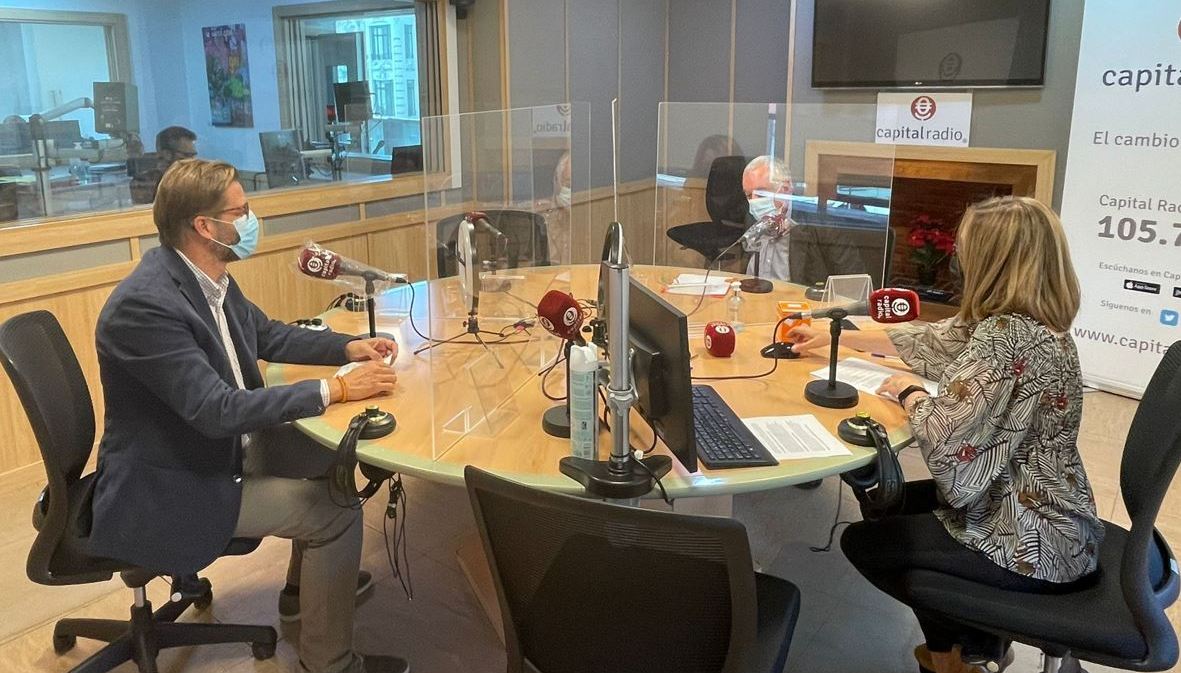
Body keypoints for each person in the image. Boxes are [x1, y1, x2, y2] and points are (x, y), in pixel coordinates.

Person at [90, 158, 408, 673]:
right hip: (177, 481)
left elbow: (269, 335)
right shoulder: (144, 307)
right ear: (204, 226)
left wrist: (347, 346)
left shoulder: (208, 278)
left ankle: (302, 593)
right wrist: (335, 389)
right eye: (241, 211)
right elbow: (217, 411)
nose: (251, 219)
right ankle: (330, 663)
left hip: (223, 448)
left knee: (337, 454)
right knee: (334, 512)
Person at [788, 196, 1103, 673]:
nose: (957, 259)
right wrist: (838, 336)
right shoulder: (1030, 324)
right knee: (887, 503)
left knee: (868, 541)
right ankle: (972, 646)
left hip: (1029, 540)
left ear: (992, 260)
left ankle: (957, 656)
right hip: (1054, 516)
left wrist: (910, 392)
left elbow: (948, 442)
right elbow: (934, 340)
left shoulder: (1007, 338)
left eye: (965, 249)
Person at [740, 155, 862, 284]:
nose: (753, 201)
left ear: (786, 188)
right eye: (748, 195)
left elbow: (853, 284)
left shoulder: (822, 224)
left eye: (761, 193)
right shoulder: (752, 219)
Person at [129, 126, 198, 204]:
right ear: (167, 154)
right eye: (187, 155)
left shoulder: (196, 180)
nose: (193, 161)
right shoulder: (144, 183)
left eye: (193, 155)